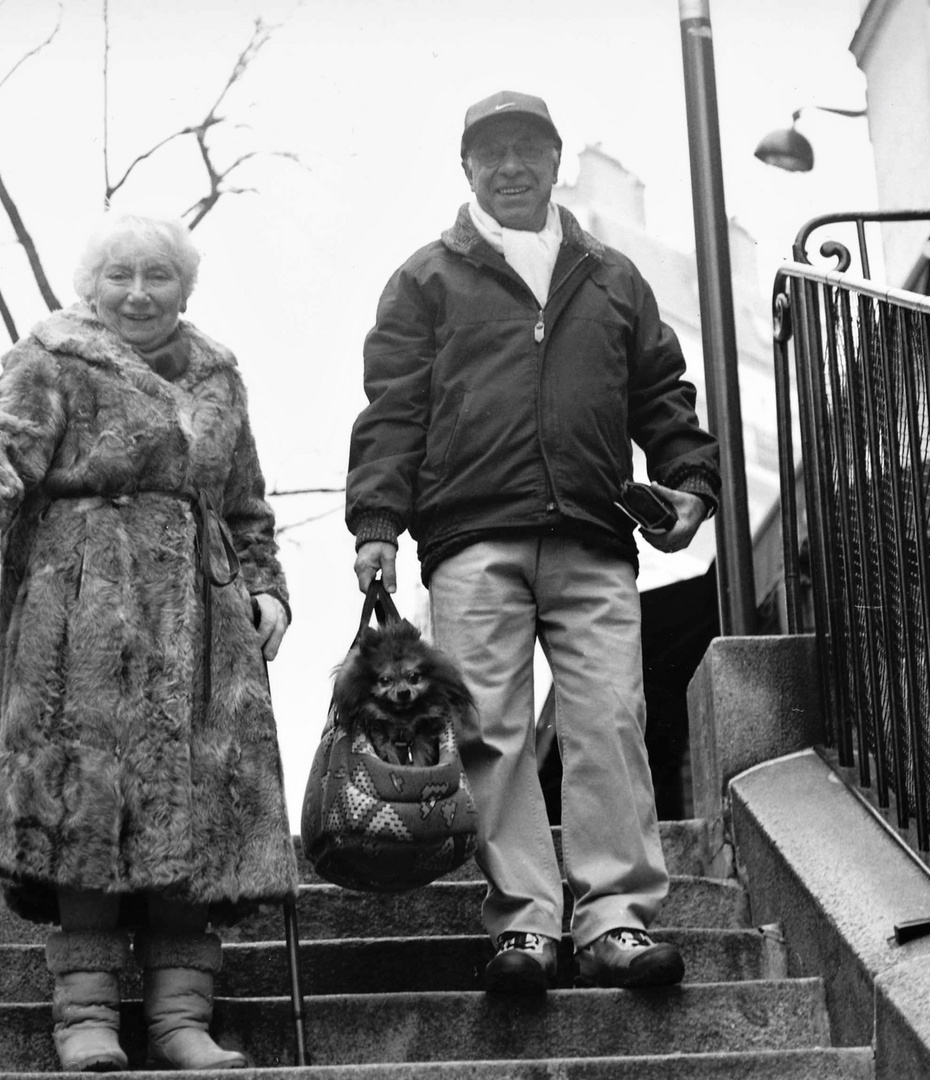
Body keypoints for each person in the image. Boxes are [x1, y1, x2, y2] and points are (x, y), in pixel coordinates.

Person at [345, 91, 720, 994]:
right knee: (493, 732)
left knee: (610, 722)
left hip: (594, 534)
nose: (510, 167)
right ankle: (524, 926)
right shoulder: (425, 278)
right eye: (491, 154)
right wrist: (375, 523)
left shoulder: (612, 277)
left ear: (555, 162)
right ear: (465, 169)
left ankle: (615, 920)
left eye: (527, 150)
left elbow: (663, 398)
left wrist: (692, 486)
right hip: (470, 537)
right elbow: (392, 409)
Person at [0, 213, 296, 1071]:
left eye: (157, 275)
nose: (138, 292)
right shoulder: (51, 355)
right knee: (82, 805)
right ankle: (84, 1019)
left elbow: (245, 501)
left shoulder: (220, 375)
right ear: (92, 284)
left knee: (192, 814)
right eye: (119, 274)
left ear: (183, 288)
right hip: (82, 609)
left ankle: (180, 1020)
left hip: (203, 620)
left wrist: (266, 589)